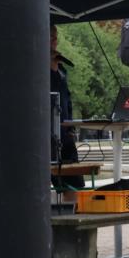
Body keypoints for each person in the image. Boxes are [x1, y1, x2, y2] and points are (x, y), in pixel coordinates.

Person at [49, 25, 84, 198]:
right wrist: (51, 70)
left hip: (64, 134)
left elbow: (66, 99)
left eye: (56, 37)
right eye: (51, 37)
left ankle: (73, 217)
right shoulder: (33, 66)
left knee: (75, 185)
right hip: (46, 137)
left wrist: (71, 127)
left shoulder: (61, 68)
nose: (55, 42)